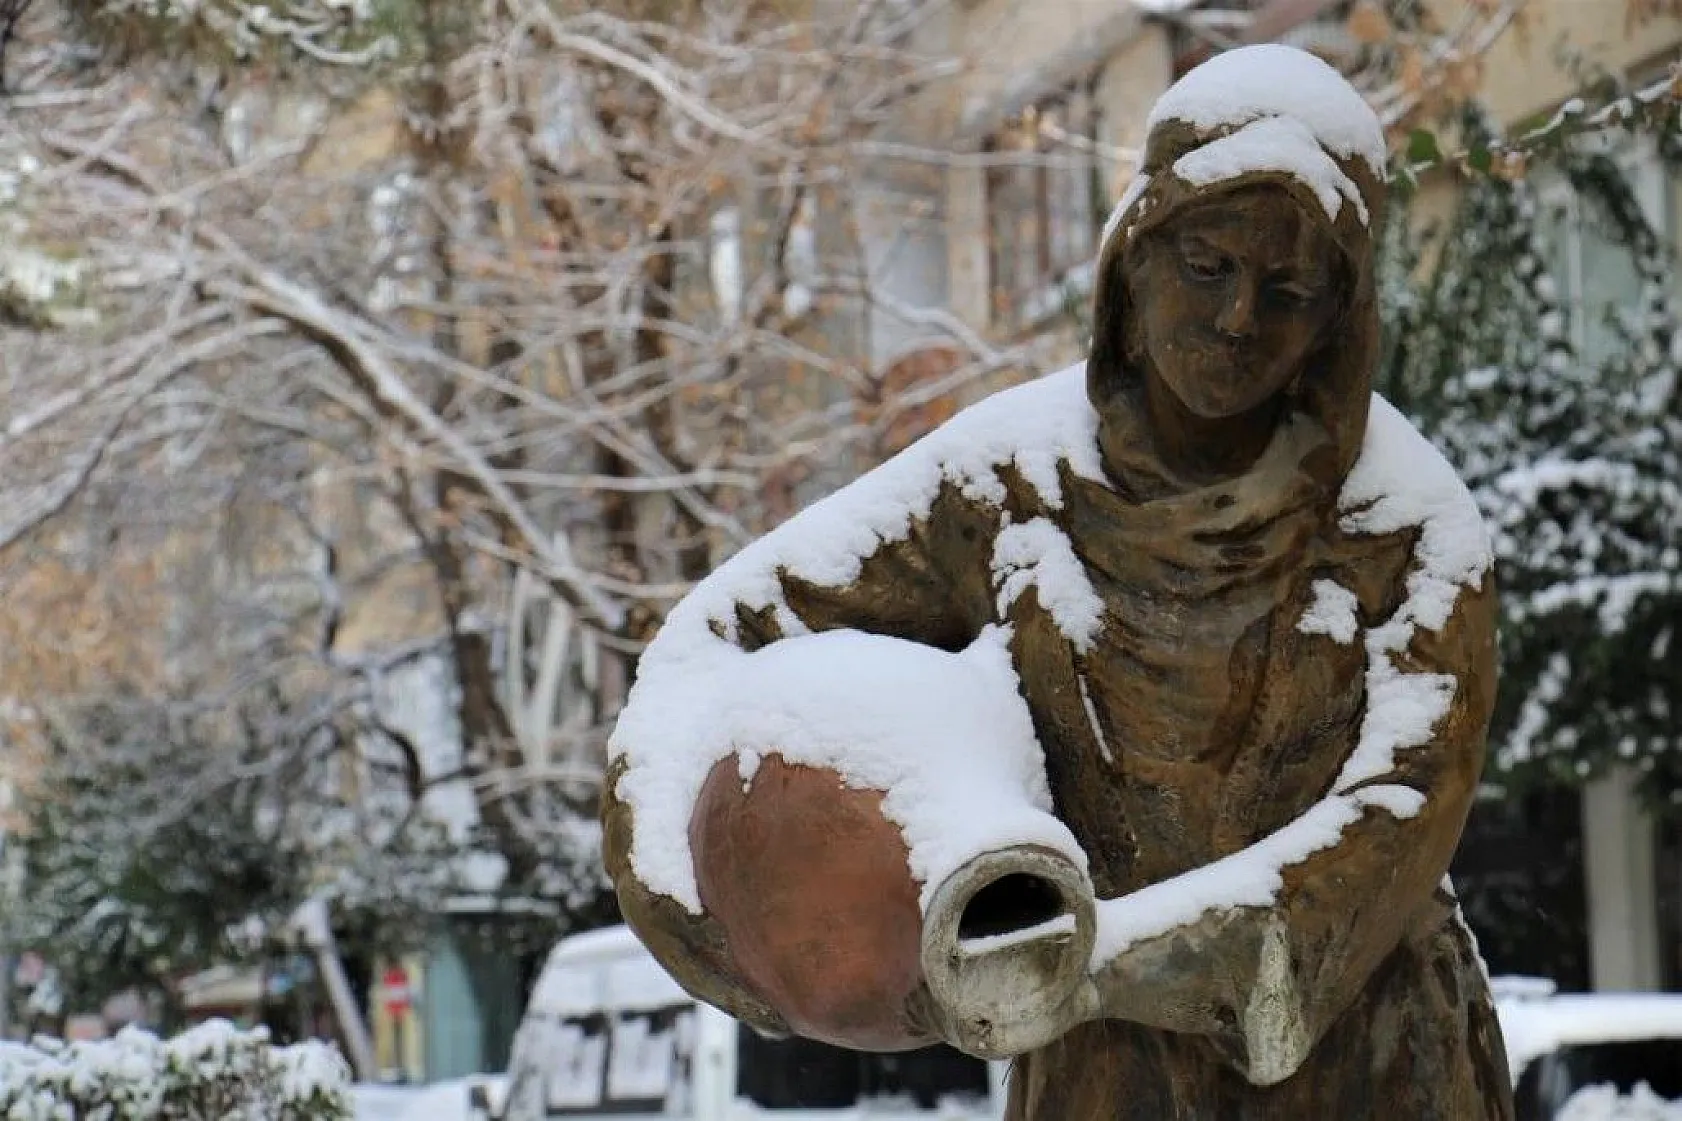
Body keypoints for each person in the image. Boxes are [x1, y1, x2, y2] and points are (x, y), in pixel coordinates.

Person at [604, 44, 1514, 1119]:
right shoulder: (1008, 486)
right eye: (1206, 266)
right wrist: (684, 895)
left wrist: (1088, 964)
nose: (1236, 318)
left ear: (1336, 319)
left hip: (1372, 1070)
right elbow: (712, 647)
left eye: (1287, 289)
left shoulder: (1404, 528)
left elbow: (1391, 824)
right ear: (1134, 260)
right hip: (1106, 1079)